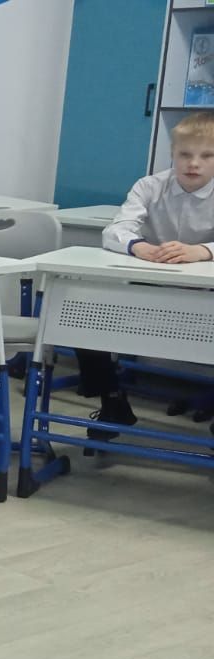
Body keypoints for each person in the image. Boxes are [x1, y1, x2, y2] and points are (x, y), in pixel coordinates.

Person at [85, 112, 214, 439]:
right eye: (185, 154)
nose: (194, 164)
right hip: (149, 292)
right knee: (82, 316)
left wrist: (202, 251)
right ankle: (113, 400)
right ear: (173, 153)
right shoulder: (150, 186)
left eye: (207, 156)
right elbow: (116, 229)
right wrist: (138, 246)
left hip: (206, 299)